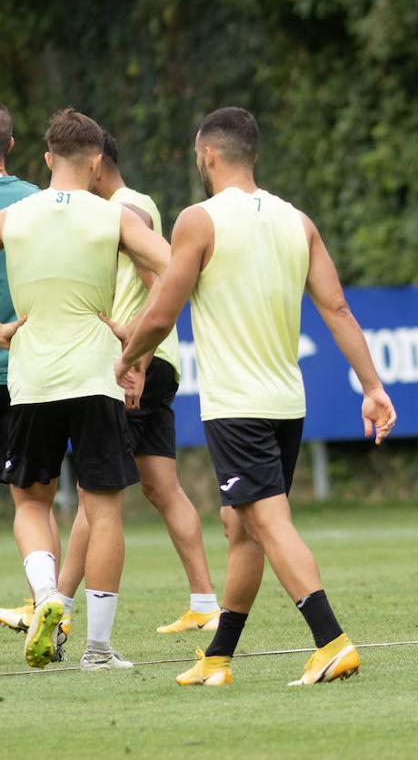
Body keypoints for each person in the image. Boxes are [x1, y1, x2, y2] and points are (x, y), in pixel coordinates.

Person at [117, 107, 396, 686]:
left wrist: (128, 358)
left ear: (207, 156)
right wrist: (371, 385)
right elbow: (337, 309)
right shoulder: (298, 221)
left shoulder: (199, 220)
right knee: (241, 527)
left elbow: (162, 310)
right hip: (286, 404)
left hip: (236, 405)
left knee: (267, 523)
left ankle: (331, 641)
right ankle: (218, 658)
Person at [0, 108, 170, 670]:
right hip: (97, 375)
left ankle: (47, 595)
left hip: (33, 379)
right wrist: (137, 338)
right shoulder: (113, 216)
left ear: (47, 159)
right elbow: (174, 271)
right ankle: (97, 648)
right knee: (104, 511)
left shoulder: (15, 215)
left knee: (30, 501)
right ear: (96, 161)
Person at [50, 131, 221, 652]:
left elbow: (157, 277)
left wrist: (137, 358)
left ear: (96, 165)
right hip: (154, 361)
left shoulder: (125, 208)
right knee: (161, 488)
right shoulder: (131, 204)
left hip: (133, 364)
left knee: (93, 495)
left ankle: (55, 609)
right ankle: (204, 603)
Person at [0, 102, 63, 637]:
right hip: (30, 374)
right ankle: (51, 604)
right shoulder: (40, 204)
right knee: (37, 502)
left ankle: (45, 600)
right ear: (12, 145)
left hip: (23, 370)